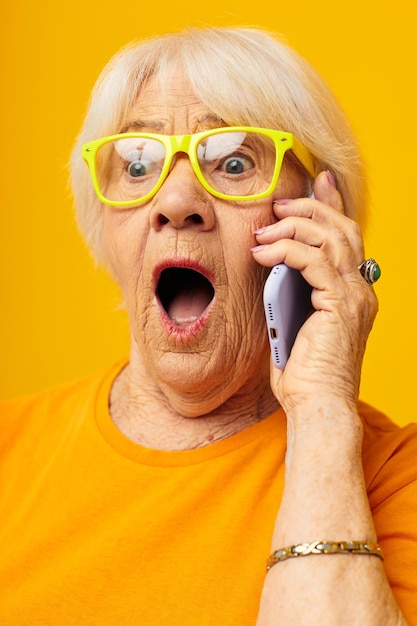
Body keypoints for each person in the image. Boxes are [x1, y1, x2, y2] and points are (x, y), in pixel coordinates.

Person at [1, 26, 416, 626]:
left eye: (235, 162)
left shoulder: (392, 481)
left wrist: (322, 412)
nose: (176, 200)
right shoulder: (12, 449)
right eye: (137, 163)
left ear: (319, 219)